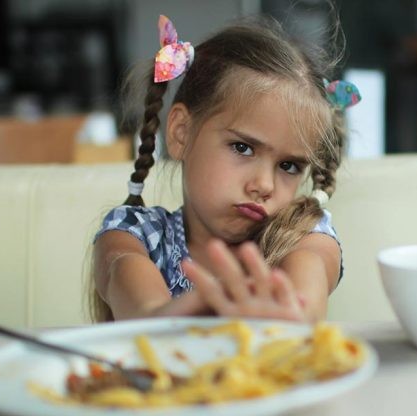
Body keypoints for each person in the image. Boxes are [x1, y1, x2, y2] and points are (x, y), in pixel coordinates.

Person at [91, 14, 361, 324]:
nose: (264, 185)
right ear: (181, 133)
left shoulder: (300, 237)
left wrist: (293, 313)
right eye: (243, 148)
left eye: (288, 166)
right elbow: (122, 271)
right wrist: (161, 318)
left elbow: (310, 277)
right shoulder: (135, 234)